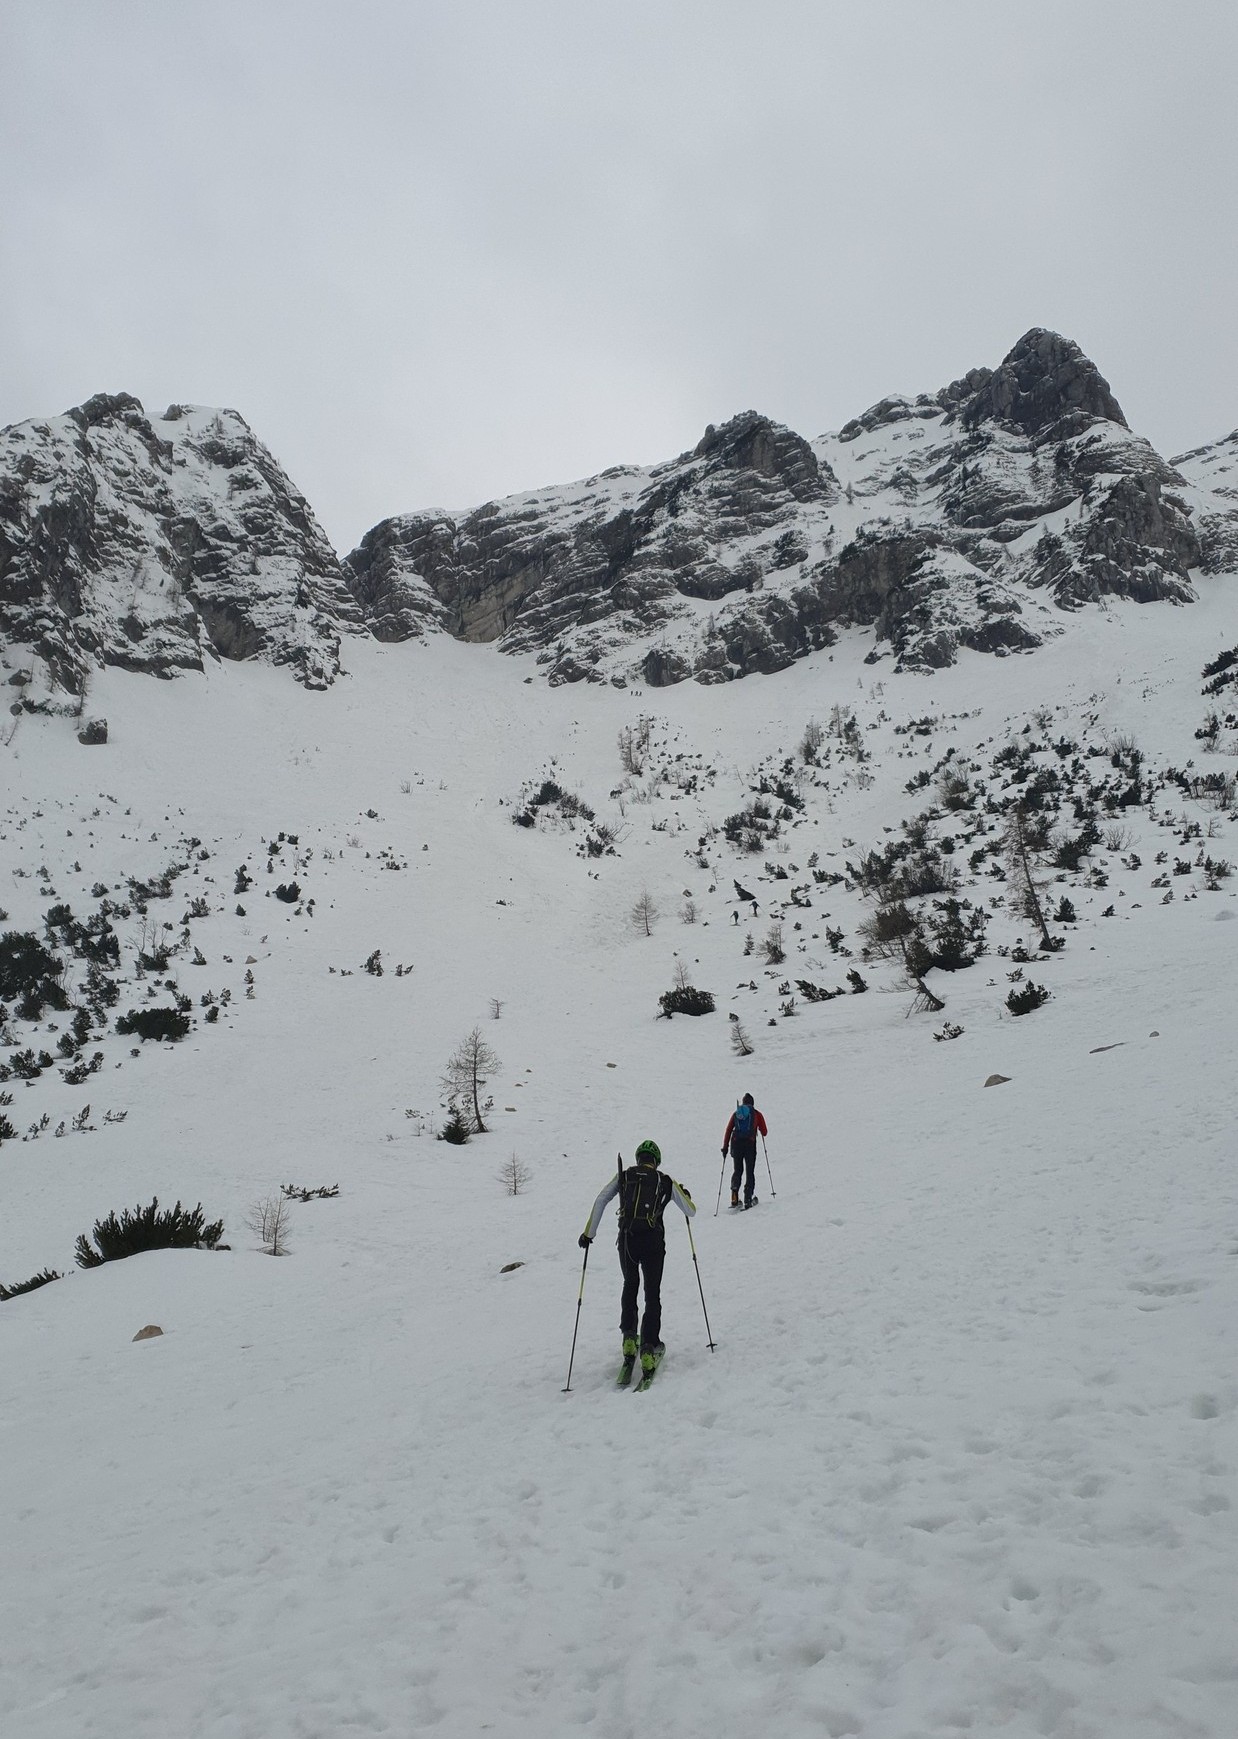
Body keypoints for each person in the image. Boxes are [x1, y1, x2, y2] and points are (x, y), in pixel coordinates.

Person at [578, 1140, 695, 1373]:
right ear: (656, 1160)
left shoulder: (624, 1176)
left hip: (627, 1240)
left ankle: (630, 1338)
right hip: (653, 1243)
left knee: (630, 1284)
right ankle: (649, 1347)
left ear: (638, 1158)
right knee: (652, 1293)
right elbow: (691, 1210)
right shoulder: (665, 1180)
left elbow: (601, 1199)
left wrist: (588, 1234)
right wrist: (684, 1194)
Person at [722, 1092, 767, 1208]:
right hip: (750, 1145)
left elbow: (728, 1130)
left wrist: (725, 1147)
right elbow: (765, 1132)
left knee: (738, 1170)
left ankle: (734, 1197)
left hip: (736, 1145)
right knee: (749, 1171)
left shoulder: (737, 1113)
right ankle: (748, 1198)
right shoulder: (756, 1114)